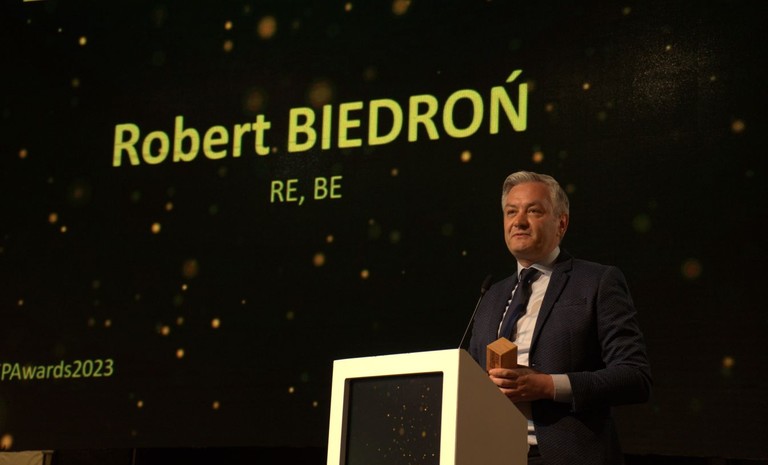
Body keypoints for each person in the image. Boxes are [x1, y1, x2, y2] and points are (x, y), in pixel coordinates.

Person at [468, 171, 652, 465]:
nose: (519, 221)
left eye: (534, 211)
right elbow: (471, 381)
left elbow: (634, 377)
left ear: (561, 223)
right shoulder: (491, 295)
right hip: (493, 454)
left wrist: (546, 385)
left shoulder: (596, 281)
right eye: (511, 212)